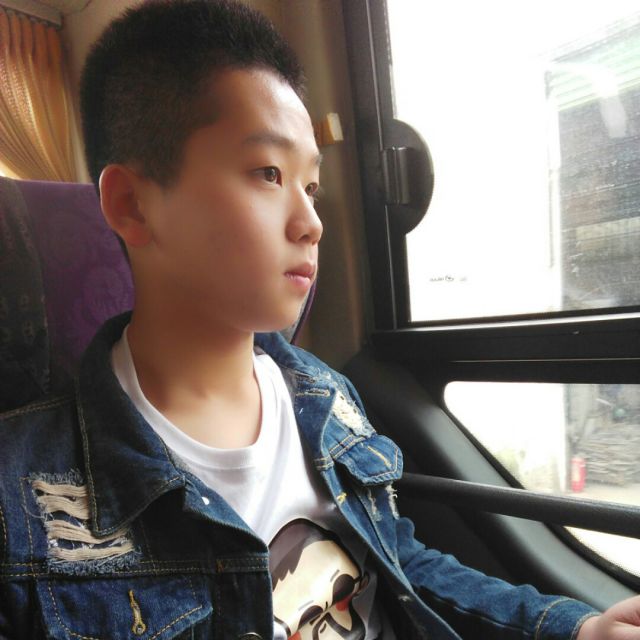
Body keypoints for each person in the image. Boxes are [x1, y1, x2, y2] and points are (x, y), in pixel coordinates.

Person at [0, 1, 638, 637]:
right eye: (268, 173)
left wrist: (576, 628)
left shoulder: (324, 396)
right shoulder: (24, 498)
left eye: (310, 187)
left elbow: (401, 564)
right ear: (132, 205)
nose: (311, 223)